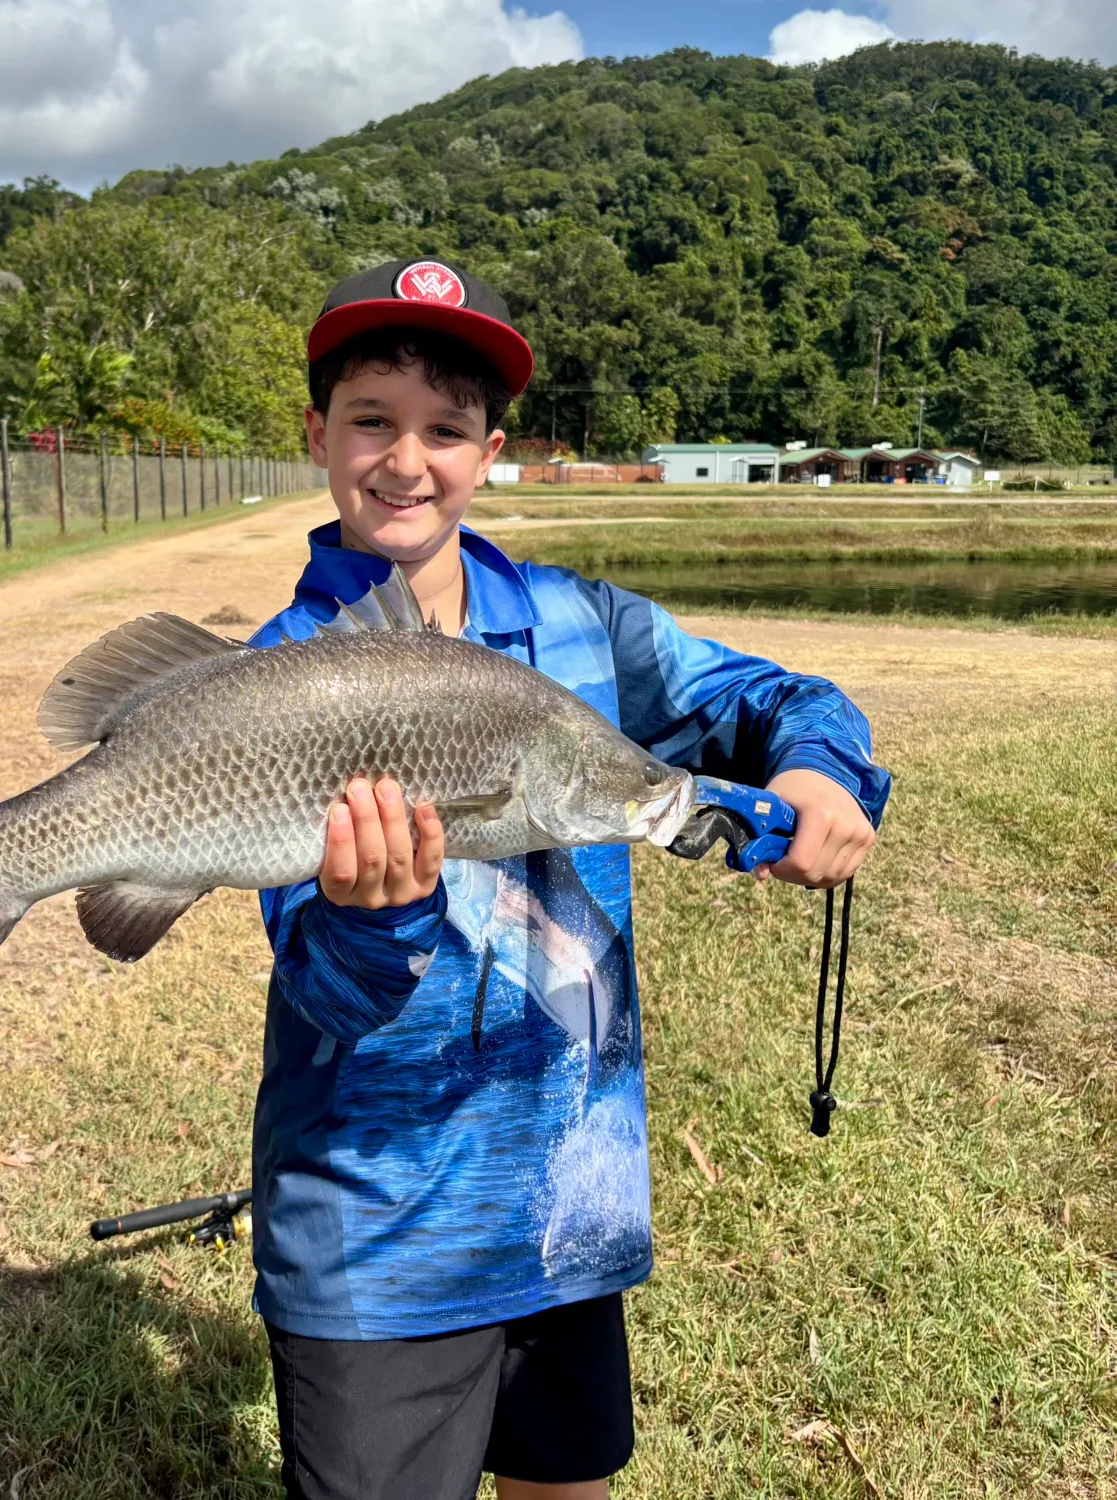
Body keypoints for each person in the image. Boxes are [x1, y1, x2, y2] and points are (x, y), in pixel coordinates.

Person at [248, 258, 891, 1500]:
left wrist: (816, 770)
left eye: (446, 429)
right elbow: (327, 995)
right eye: (372, 420)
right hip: (377, 1239)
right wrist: (375, 922)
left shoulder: (585, 629)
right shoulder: (289, 678)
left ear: (490, 451)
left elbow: (768, 698)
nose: (406, 459)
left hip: (566, 1211)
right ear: (318, 434)